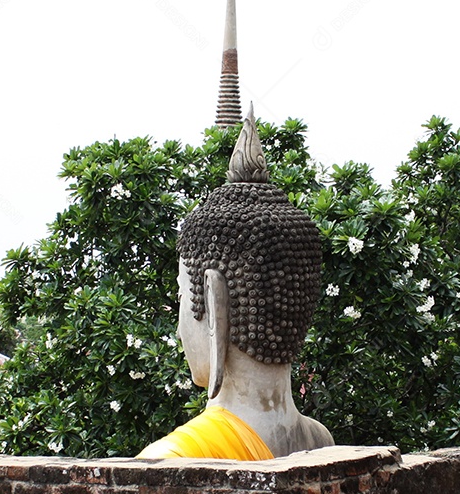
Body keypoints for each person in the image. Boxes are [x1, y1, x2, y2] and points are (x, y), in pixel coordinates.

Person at [139, 105, 334, 460]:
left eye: (184, 295)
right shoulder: (320, 442)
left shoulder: (175, 458)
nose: (180, 330)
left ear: (215, 305)